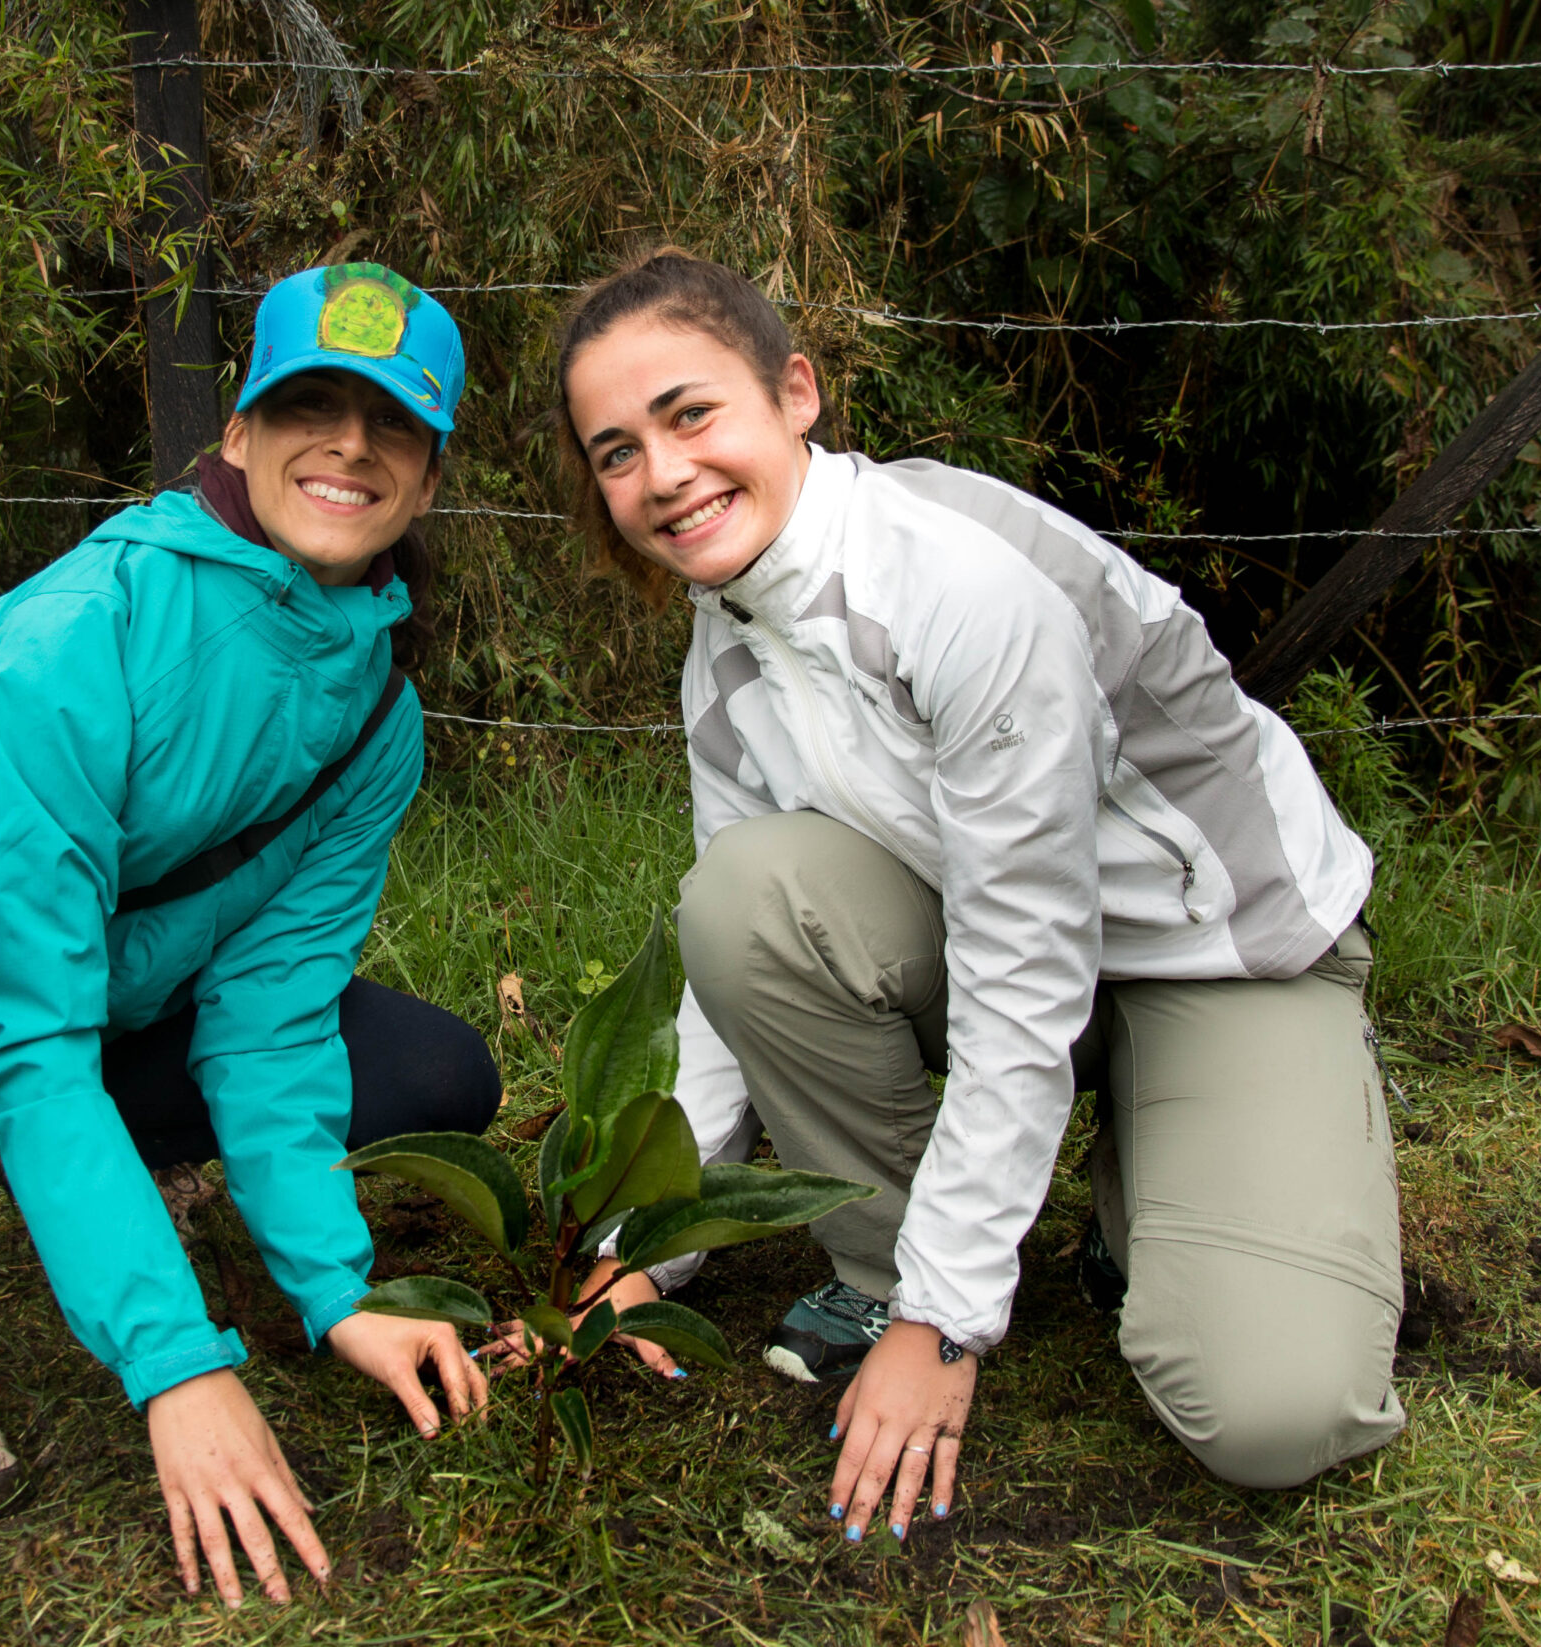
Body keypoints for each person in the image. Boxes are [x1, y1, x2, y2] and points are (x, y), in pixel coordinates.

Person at [541, 250, 1402, 1534]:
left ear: (796, 394)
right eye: (615, 452)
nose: (662, 475)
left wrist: (953, 1327)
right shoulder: (724, 660)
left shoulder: (953, 586)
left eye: (690, 415)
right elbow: (730, 973)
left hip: (1221, 955)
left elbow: (1023, 968)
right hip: (1019, 950)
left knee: (1271, 1412)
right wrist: (638, 1251)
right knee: (739, 896)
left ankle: (1162, 1161)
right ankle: (883, 1269)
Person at [0, 263, 503, 1606]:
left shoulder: (380, 715)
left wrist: (337, 1287)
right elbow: (26, 1027)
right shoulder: (81, 633)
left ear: (426, 475)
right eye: (311, 402)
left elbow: (270, 1007)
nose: (351, 444)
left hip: (91, 998)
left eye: (393, 424)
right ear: (238, 431)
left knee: (434, 1072)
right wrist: (180, 1362)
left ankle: (84, 1180)